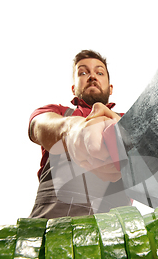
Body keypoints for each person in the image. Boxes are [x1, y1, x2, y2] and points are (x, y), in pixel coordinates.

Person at [27, 50, 132, 219]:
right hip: (49, 224)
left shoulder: (130, 119)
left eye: (99, 72)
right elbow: (38, 126)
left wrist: (125, 131)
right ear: (73, 88)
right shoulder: (55, 112)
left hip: (116, 230)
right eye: (83, 73)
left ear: (110, 88)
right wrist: (73, 131)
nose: (92, 76)